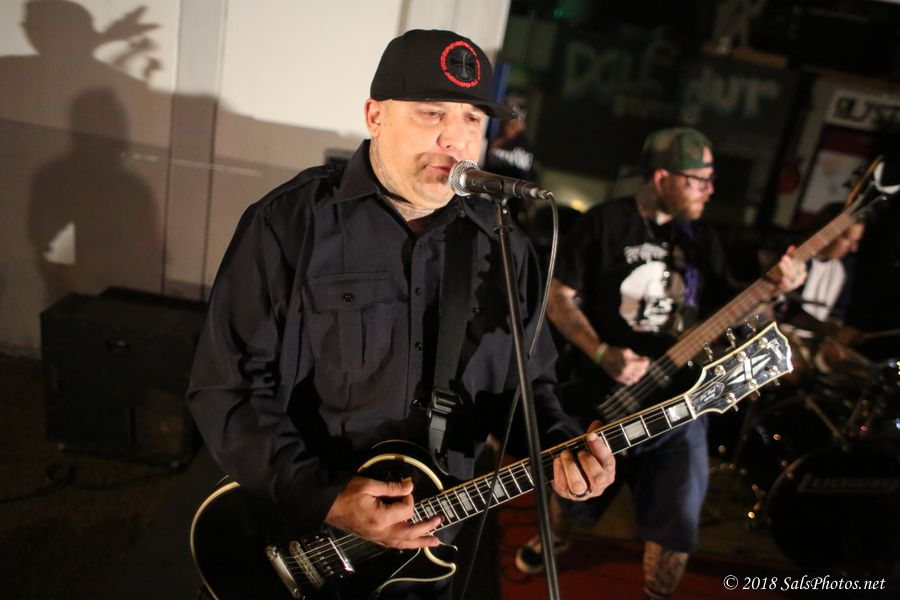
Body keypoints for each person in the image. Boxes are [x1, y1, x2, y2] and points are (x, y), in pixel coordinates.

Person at [186, 29, 615, 599]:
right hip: (298, 533)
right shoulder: (290, 223)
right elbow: (226, 389)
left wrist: (563, 448)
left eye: (472, 119)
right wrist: (328, 498)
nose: (455, 138)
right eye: (431, 113)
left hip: (430, 549)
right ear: (375, 116)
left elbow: (526, 389)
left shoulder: (501, 246)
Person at [514, 128, 807, 599]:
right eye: (698, 180)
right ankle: (558, 537)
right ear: (661, 177)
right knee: (574, 490)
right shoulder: (606, 222)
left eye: (711, 180)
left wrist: (777, 287)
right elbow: (557, 296)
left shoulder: (701, 239)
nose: (710, 190)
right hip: (603, 392)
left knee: (678, 519)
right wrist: (600, 351)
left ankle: (657, 592)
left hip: (683, 401)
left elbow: (735, 311)